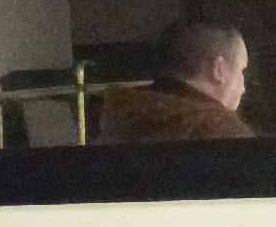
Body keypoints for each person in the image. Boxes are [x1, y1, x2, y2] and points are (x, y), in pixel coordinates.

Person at [96, 18, 255, 143]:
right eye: (241, 70)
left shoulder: (117, 123)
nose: (243, 88)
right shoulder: (224, 133)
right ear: (219, 70)